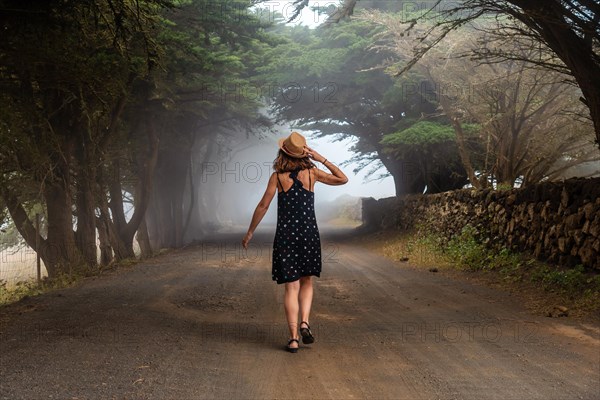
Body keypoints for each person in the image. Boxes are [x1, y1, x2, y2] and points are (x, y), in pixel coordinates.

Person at [242, 131, 348, 353]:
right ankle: (305, 323)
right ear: (303, 154)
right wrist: (321, 158)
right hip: (309, 233)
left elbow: (263, 206)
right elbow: (342, 179)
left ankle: (292, 339)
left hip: (286, 235)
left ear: (283, 152)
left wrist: (251, 231)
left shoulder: (277, 178)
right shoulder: (312, 174)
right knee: (307, 282)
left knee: (291, 287)